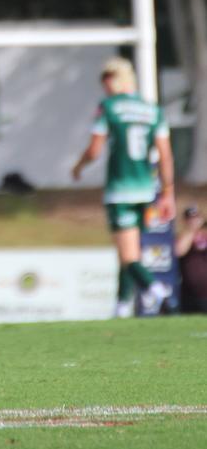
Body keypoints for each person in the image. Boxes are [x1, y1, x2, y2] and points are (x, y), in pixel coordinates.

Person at [72, 56, 176, 318]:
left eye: (106, 83)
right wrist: (168, 193)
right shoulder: (153, 110)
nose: (105, 89)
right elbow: (165, 155)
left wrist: (79, 166)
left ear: (115, 80)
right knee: (127, 251)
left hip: (120, 190)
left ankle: (156, 290)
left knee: (129, 256)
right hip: (146, 190)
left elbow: (95, 150)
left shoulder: (108, 107)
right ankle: (121, 305)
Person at [174, 205, 207, 313]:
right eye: (190, 218)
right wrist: (191, 231)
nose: (194, 221)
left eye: (196, 218)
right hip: (190, 293)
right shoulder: (183, 236)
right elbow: (178, 251)